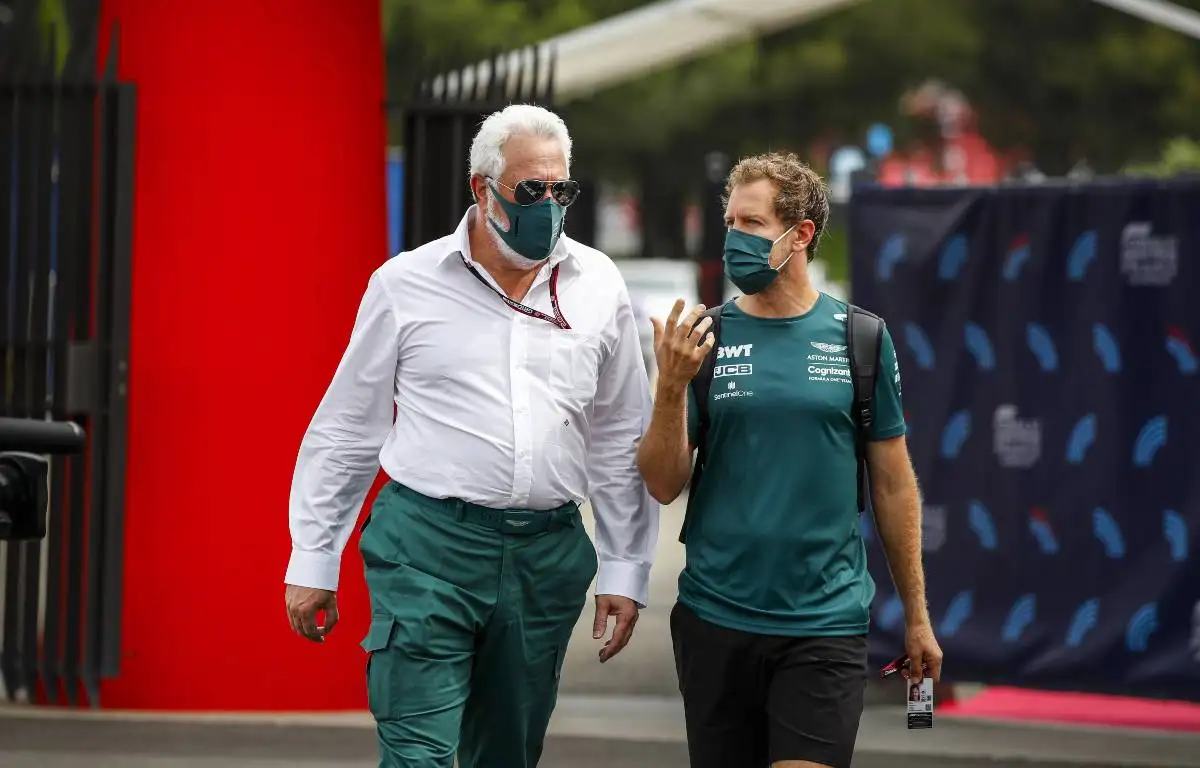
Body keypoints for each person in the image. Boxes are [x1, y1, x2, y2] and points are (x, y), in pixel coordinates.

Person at [283, 104, 658, 768]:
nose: (547, 204)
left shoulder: (599, 284)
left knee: (505, 754)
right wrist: (314, 559)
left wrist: (625, 566)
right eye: (529, 190)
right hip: (427, 544)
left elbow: (618, 432)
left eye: (559, 190)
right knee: (419, 755)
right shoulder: (405, 284)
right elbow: (347, 427)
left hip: (545, 555)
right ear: (481, 189)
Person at [637, 151, 943, 768]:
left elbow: (892, 485)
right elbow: (663, 484)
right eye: (728, 223)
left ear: (799, 234)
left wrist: (917, 616)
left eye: (750, 224)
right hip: (714, 616)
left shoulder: (861, 338)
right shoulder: (706, 339)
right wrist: (670, 388)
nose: (732, 239)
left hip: (824, 623)